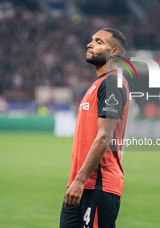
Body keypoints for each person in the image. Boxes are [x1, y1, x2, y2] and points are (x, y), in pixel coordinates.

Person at [60, 28, 130, 227]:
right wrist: (77, 181)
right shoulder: (99, 83)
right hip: (81, 184)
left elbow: (103, 138)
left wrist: (80, 180)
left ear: (114, 51)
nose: (90, 44)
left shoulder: (112, 83)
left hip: (98, 185)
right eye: (91, 40)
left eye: (98, 41)